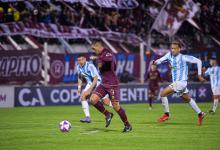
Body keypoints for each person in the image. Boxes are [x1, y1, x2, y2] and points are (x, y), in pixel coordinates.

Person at [153, 40, 206, 125]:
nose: (173, 50)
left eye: (175, 48)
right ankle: (200, 114)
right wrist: (155, 62)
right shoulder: (169, 55)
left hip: (181, 82)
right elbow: (160, 60)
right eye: (172, 48)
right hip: (178, 83)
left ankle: (166, 114)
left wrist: (199, 75)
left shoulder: (184, 57)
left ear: (179, 49)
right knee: (187, 99)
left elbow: (198, 61)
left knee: (163, 94)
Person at [90, 41, 132, 132]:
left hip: (112, 84)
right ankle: (107, 114)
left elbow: (109, 59)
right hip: (104, 83)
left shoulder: (107, 53)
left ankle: (127, 125)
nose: (93, 50)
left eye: (94, 48)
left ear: (98, 46)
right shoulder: (101, 56)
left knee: (116, 106)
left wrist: (97, 58)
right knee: (93, 99)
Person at [77, 54, 111, 123]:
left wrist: (90, 89)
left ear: (85, 59)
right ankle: (87, 117)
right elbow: (80, 77)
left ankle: (118, 107)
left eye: (82, 59)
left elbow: (95, 79)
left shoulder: (90, 66)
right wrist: (79, 88)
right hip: (90, 83)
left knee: (106, 102)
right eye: (79, 60)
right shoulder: (78, 67)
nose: (80, 61)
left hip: (97, 83)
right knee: (83, 97)